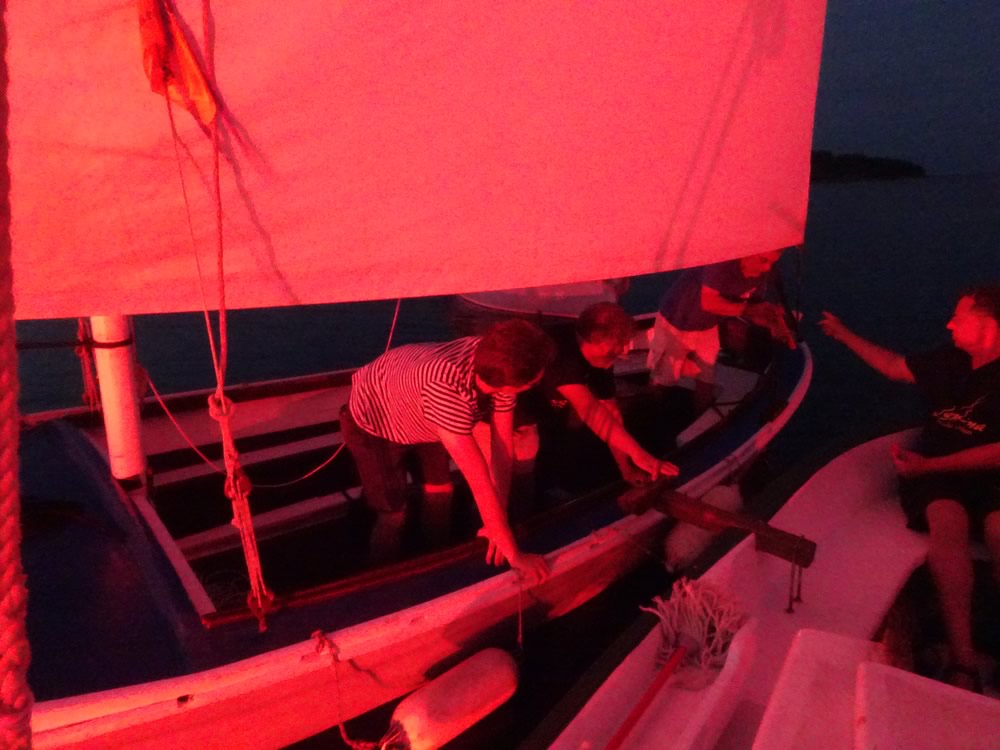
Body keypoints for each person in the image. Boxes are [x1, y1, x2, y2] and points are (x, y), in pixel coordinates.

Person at [820, 285, 1000, 692]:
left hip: (976, 472)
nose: (949, 324)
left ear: (988, 324)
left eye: (959, 317)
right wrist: (843, 333)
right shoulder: (951, 359)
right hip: (937, 473)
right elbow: (894, 366)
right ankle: (964, 660)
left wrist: (928, 466)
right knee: (947, 525)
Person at [340, 319, 555, 582]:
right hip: (375, 422)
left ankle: (437, 559)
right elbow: (478, 478)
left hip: (420, 413)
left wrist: (497, 526)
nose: (538, 382)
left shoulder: (498, 364)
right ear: (514, 385)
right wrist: (515, 555)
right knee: (394, 515)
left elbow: (501, 447)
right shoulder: (447, 391)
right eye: (533, 382)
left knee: (441, 492)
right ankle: (378, 578)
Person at [523, 302, 679, 494]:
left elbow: (610, 411)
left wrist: (626, 468)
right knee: (527, 466)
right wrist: (639, 454)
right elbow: (590, 411)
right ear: (593, 340)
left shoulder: (602, 356)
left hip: (556, 407)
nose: (623, 351)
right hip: (522, 414)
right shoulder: (561, 358)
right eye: (619, 345)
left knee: (577, 431)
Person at [647, 250, 796, 412]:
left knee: (707, 377)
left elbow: (751, 308)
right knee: (663, 379)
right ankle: (653, 410)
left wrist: (771, 320)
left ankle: (702, 415)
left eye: (772, 262)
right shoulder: (721, 261)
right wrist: (751, 310)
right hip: (676, 322)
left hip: (708, 325)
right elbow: (709, 303)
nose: (767, 268)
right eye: (763, 260)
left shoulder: (760, 275)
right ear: (750, 252)